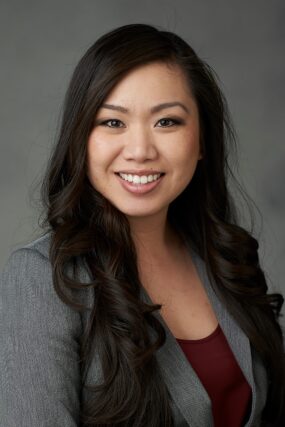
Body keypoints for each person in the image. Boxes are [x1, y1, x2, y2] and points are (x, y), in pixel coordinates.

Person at [0, 23, 284, 427]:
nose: (139, 151)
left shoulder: (225, 258)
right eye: (113, 123)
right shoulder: (42, 278)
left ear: (201, 141)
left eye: (166, 122)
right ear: (82, 137)